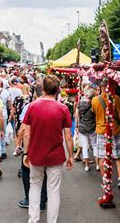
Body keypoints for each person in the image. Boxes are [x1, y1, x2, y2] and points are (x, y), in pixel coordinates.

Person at [23, 75, 73, 223]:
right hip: (55, 156)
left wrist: (26, 152)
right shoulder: (63, 108)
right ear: (58, 90)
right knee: (53, 191)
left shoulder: (33, 106)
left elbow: (27, 132)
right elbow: (68, 135)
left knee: (35, 186)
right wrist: (70, 155)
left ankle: (33, 219)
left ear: (43, 89)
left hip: (36, 154)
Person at [92, 79, 120, 190]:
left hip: (101, 131)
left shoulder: (94, 100)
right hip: (115, 131)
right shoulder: (116, 99)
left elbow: (95, 114)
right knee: (117, 157)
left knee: (102, 156)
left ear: (100, 88)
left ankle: (104, 180)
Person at [77, 87, 98, 172]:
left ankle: (86, 166)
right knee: (94, 145)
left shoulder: (80, 104)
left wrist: (77, 125)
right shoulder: (94, 104)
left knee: (84, 146)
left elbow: (77, 116)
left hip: (82, 127)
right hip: (92, 127)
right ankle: (97, 165)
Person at [0, 77, 11, 160]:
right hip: (3, 114)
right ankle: (3, 151)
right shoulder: (6, 92)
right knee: (2, 132)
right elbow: (9, 104)